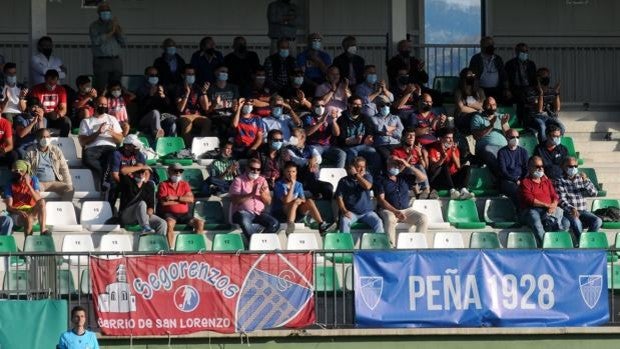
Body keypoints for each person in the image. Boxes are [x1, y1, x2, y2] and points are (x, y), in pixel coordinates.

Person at [376, 158, 428, 246]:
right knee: (390, 219)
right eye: (393, 164)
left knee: (423, 218)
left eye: (398, 164)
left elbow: (423, 178)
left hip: (406, 210)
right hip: (388, 210)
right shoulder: (380, 179)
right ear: (387, 165)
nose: (396, 166)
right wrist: (396, 212)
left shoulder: (404, 177)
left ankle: (418, 245)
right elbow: (381, 200)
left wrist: (408, 165)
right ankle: (390, 247)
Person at [273, 161, 334, 235]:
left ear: (296, 172)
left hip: (296, 213)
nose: (291, 174)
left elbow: (303, 199)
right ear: (284, 172)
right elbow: (286, 201)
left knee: (309, 201)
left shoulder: (299, 185)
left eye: (293, 171)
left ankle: (321, 225)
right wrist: (292, 185)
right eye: (288, 171)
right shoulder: (279, 184)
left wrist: (300, 200)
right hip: (281, 213)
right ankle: (290, 225)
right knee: (294, 202)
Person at [519, 155, 570, 243]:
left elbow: (555, 196)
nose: (541, 169)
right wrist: (547, 205)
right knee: (535, 220)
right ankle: (546, 244)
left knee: (566, 223)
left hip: (548, 209)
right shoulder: (525, 182)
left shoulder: (547, 181)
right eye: (537, 166)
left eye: (542, 166)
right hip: (532, 209)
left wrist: (553, 205)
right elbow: (529, 200)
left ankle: (554, 242)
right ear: (529, 167)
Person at [78, 96, 123, 187]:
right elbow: (82, 142)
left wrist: (112, 133)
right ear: (95, 104)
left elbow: (120, 139)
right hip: (93, 148)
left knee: (113, 157)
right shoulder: (86, 121)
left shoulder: (112, 119)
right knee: (87, 158)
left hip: (109, 146)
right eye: (100, 104)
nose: (103, 106)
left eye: (105, 104)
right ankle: (104, 175)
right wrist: (98, 133)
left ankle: (104, 180)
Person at [229, 158, 280, 237]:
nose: (255, 171)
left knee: (274, 224)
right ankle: (255, 245)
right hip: (242, 213)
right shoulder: (238, 180)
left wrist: (262, 194)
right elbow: (235, 200)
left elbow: (268, 202)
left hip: (259, 213)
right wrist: (251, 194)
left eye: (258, 169)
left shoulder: (262, 180)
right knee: (244, 219)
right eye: (252, 169)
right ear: (246, 168)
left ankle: (257, 243)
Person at [158, 163, 204, 247]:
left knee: (200, 223)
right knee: (169, 224)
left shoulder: (185, 184)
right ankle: (169, 250)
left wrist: (174, 198)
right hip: (170, 214)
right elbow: (164, 203)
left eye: (180, 171)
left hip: (184, 214)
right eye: (175, 171)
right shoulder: (163, 185)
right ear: (169, 172)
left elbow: (191, 199)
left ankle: (197, 247)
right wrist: (183, 200)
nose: (178, 173)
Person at [555, 157, 602, 239]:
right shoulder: (559, 181)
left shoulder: (582, 178)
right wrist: (572, 208)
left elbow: (594, 193)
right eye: (570, 166)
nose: (573, 168)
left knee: (598, 221)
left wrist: (585, 180)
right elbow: (561, 200)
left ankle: (586, 241)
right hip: (569, 211)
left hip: (583, 211)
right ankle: (581, 243)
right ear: (563, 166)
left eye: (575, 166)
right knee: (576, 222)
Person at [335, 157, 384, 234]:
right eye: (359, 167)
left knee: (378, 221)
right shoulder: (343, 180)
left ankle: (380, 245)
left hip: (367, 212)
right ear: (353, 167)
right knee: (344, 221)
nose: (362, 169)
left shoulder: (367, 177)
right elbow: (339, 197)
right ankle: (345, 245)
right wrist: (344, 211)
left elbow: (367, 186)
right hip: (351, 212)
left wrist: (356, 174)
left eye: (363, 167)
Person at [24, 128, 73, 200]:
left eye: (48, 137)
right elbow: (26, 168)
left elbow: (64, 168)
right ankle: (39, 209)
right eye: (43, 137)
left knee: (69, 189)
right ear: (37, 138)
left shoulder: (56, 150)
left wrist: (68, 184)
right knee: (34, 191)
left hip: (54, 182)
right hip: (39, 183)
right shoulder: (30, 151)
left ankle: (63, 208)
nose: (46, 139)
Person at [285, 127, 333, 199]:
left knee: (328, 187)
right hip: (298, 181)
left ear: (302, 137)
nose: (292, 138)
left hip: (312, 180)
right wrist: (310, 161)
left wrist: (314, 159)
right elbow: (297, 160)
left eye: (294, 136)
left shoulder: (310, 148)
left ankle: (327, 208)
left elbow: (319, 158)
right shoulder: (288, 149)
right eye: (291, 136)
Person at [4, 160, 49, 236]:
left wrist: (28, 184)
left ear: (26, 173)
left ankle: (43, 230)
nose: (19, 175)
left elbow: (38, 199)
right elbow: (9, 207)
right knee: (27, 218)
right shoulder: (10, 183)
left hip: (31, 211)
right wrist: (18, 211)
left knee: (42, 202)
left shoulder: (33, 180)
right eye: (16, 172)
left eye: (22, 171)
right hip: (18, 214)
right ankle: (28, 243)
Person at [336, 95, 380, 173]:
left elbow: (370, 132)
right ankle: (353, 175)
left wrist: (369, 137)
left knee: (373, 153)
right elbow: (340, 138)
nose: (358, 107)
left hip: (362, 145)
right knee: (352, 152)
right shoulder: (342, 119)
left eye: (360, 105)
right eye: (355, 104)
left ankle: (372, 176)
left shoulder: (365, 118)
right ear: (349, 105)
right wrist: (349, 141)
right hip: (347, 146)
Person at [427, 127, 473, 199]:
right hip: (440, 179)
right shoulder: (434, 148)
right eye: (448, 138)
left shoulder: (454, 148)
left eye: (452, 138)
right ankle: (452, 191)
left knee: (467, 167)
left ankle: (463, 190)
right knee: (444, 165)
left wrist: (453, 152)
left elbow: (458, 166)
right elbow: (433, 168)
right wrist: (442, 158)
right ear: (441, 139)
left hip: (452, 178)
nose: (451, 140)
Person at [118, 166, 167, 235]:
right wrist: (141, 167)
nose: (141, 174)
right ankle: (145, 227)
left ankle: (159, 244)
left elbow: (151, 205)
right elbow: (122, 171)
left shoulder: (149, 185)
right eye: (138, 172)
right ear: (133, 173)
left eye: (143, 172)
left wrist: (149, 211)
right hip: (127, 215)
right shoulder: (128, 182)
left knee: (162, 223)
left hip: (143, 215)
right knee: (142, 203)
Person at [89, 2, 125, 91]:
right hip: (102, 61)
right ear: (99, 13)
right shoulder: (94, 25)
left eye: (107, 11)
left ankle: (115, 104)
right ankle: (102, 104)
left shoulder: (114, 25)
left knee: (116, 87)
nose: (106, 13)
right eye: (103, 11)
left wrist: (117, 30)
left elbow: (123, 41)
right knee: (102, 87)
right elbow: (96, 41)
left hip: (116, 60)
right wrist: (110, 32)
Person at [470, 97, 510, 175]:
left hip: (503, 147)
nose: (492, 107)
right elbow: (476, 136)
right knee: (488, 150)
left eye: (494, 105)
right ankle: (502, 176)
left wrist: (503, 124)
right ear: (484, 106)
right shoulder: (477, 118)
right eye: (489, 105)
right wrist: (490, 126)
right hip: (487, 148)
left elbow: (509, 136)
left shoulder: (501, 117)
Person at [107, 134, 148, 210]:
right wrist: (127, 185)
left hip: (132, 180)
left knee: (148, 185)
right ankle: (110, 211)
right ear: (127, 146)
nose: (137, 148)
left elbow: (144, 170)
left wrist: (144, 181)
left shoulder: (138, 153)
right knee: (117, 188)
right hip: (116, 180)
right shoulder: (117, 154)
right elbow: (115, 175)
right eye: (135, 146)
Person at [525, 67, 565, 143]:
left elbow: (557, 109)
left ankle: (556, 145)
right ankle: (543, 146)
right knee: (542, 126)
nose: (546, 78)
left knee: (561, 127)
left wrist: (556, 93)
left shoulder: (550, 90)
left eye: (548, 76)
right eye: (544, 76)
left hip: (547, 117)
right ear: (538, 78)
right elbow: (539, 110)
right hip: (534, 117)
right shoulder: (530, 92)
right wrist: (541, 93)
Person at [135, 66, 177, 138]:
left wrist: (163, 97)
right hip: (144, 118)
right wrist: (150, 95)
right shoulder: (141, 89)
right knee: (155, 112)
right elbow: (141, 108)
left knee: (171, 120)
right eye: (152, 75)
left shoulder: (161, 88)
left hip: (160, 118)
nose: (154, 77)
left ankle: (172, 143)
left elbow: (169, 107)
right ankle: (158, 134)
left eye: (156, 75)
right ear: (146, 76)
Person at [303, 99, 346, 168]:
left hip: (327, 146)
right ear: (313, 107)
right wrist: (320, 122)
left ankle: (339, 175)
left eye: (322, 106)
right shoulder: (308, 117)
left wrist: (333, 121)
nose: (320, 108)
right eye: (317, 106)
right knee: (315, 158)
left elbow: (337, 134)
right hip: (314, 146)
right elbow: (307, 133)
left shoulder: (328, 117)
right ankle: (316, 176)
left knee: (341, 154)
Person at [390, 128, 431, 198]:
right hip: (403, 175)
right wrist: (408, 158)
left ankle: (426, 189)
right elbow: (397, 171)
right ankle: (419, 192)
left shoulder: (416, 149)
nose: (412, 138)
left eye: (413, 135)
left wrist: (420, 154)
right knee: (411, 167)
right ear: (403, 138)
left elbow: (424, 167)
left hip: (416, 176)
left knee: (419, 166)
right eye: (409, 135)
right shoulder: (396, 151)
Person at [29, 69, 71, 137]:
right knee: (39, 121)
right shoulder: (36, 89)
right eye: (50, 83)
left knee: (66, 121)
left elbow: (64, 109)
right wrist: (43, 112)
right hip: (42, 116)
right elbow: (34, 107)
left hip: (55, 117)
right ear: (45, 80)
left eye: (54, 83)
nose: (52, 86)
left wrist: (58, 115)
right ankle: (41, 142)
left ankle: (62, 142)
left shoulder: (61, 90)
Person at [176, 64, 211, 145]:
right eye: (189, 74)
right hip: (183, 115)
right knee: (187, 123)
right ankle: (187, 149)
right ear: (183, 75)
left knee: (207, 121)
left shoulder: (197, 87)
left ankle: (201, 147)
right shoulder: (178, 88)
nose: (191, 76)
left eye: (193, 74)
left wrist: (204, 92)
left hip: (196, 115)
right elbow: (180, 109)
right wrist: (187, 93)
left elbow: (205, 107)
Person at [468, 36, 509, 102]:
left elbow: (503, 75)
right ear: (482, 46)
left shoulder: (497, 59)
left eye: (492, 44)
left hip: (497, 89)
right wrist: (472, 89)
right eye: (488, 44)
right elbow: (471, 75)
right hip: (481, 89)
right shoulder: (476, 59)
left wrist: (506, 89)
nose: (491, 46)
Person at [505, 43, 537, 123]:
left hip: (528, 89)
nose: (524, 53)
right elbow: (506, 78)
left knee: (529, 104)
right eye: (522, 51)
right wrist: (507, 89)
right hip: (515, 88)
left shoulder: (531, 64)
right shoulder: (510, 64)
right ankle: (518, 121)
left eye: (526, 51)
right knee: (520, 103)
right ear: (516, 51)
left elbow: (534, 79)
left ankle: (527, 122)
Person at [497, 128, 529, 207]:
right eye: (512, 137)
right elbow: (503, 171)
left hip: (522, 179)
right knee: (517, 191)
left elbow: (527, 168)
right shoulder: (502, 152)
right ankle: (519, 212)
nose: (515, 139)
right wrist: (515, 180)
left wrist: (522, 180)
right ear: (507, 138)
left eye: (517, 137)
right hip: (508, 180)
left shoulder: (523, 151)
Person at [369, 95, 404, 161]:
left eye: (387, 104)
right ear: (377, 107)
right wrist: (394, 127)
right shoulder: (373, 118)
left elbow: (400, 130)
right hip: (382, 145)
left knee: (401, 159)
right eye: (382, 105)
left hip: (396, 143)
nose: (385, 107)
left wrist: (388, 132)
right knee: (390, 160)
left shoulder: (396, 117)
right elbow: (379, 128)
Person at [454, 68, 485, 133]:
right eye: (469, 75)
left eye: (473, 75)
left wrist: (469, 104)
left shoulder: (480, 91)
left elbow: (482, 106)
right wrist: (477, 111)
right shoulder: (459, 91)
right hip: (463, 117)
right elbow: (461, 108)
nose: (471, 77)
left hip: (477, 117)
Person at [0, 98, 17, 167]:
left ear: (1, 110)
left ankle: (12, 175)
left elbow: (10, 145)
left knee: (13, 155)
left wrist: (3, 150)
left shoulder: (5, 123)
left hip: (1, 152)